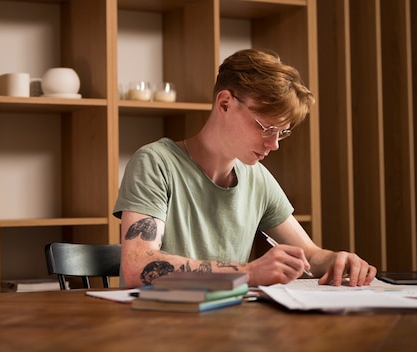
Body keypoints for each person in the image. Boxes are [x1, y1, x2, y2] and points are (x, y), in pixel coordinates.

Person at [114, 48, 377, 288]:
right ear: (225, 103)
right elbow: (138, 267)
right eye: (266, 128)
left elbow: (310, 255)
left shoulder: (257, 177)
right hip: (159, 327)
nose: (274, 144)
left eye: (282, 132)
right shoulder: (155, 163)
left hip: (229, 325)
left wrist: (337, 260)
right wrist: (248, 272)